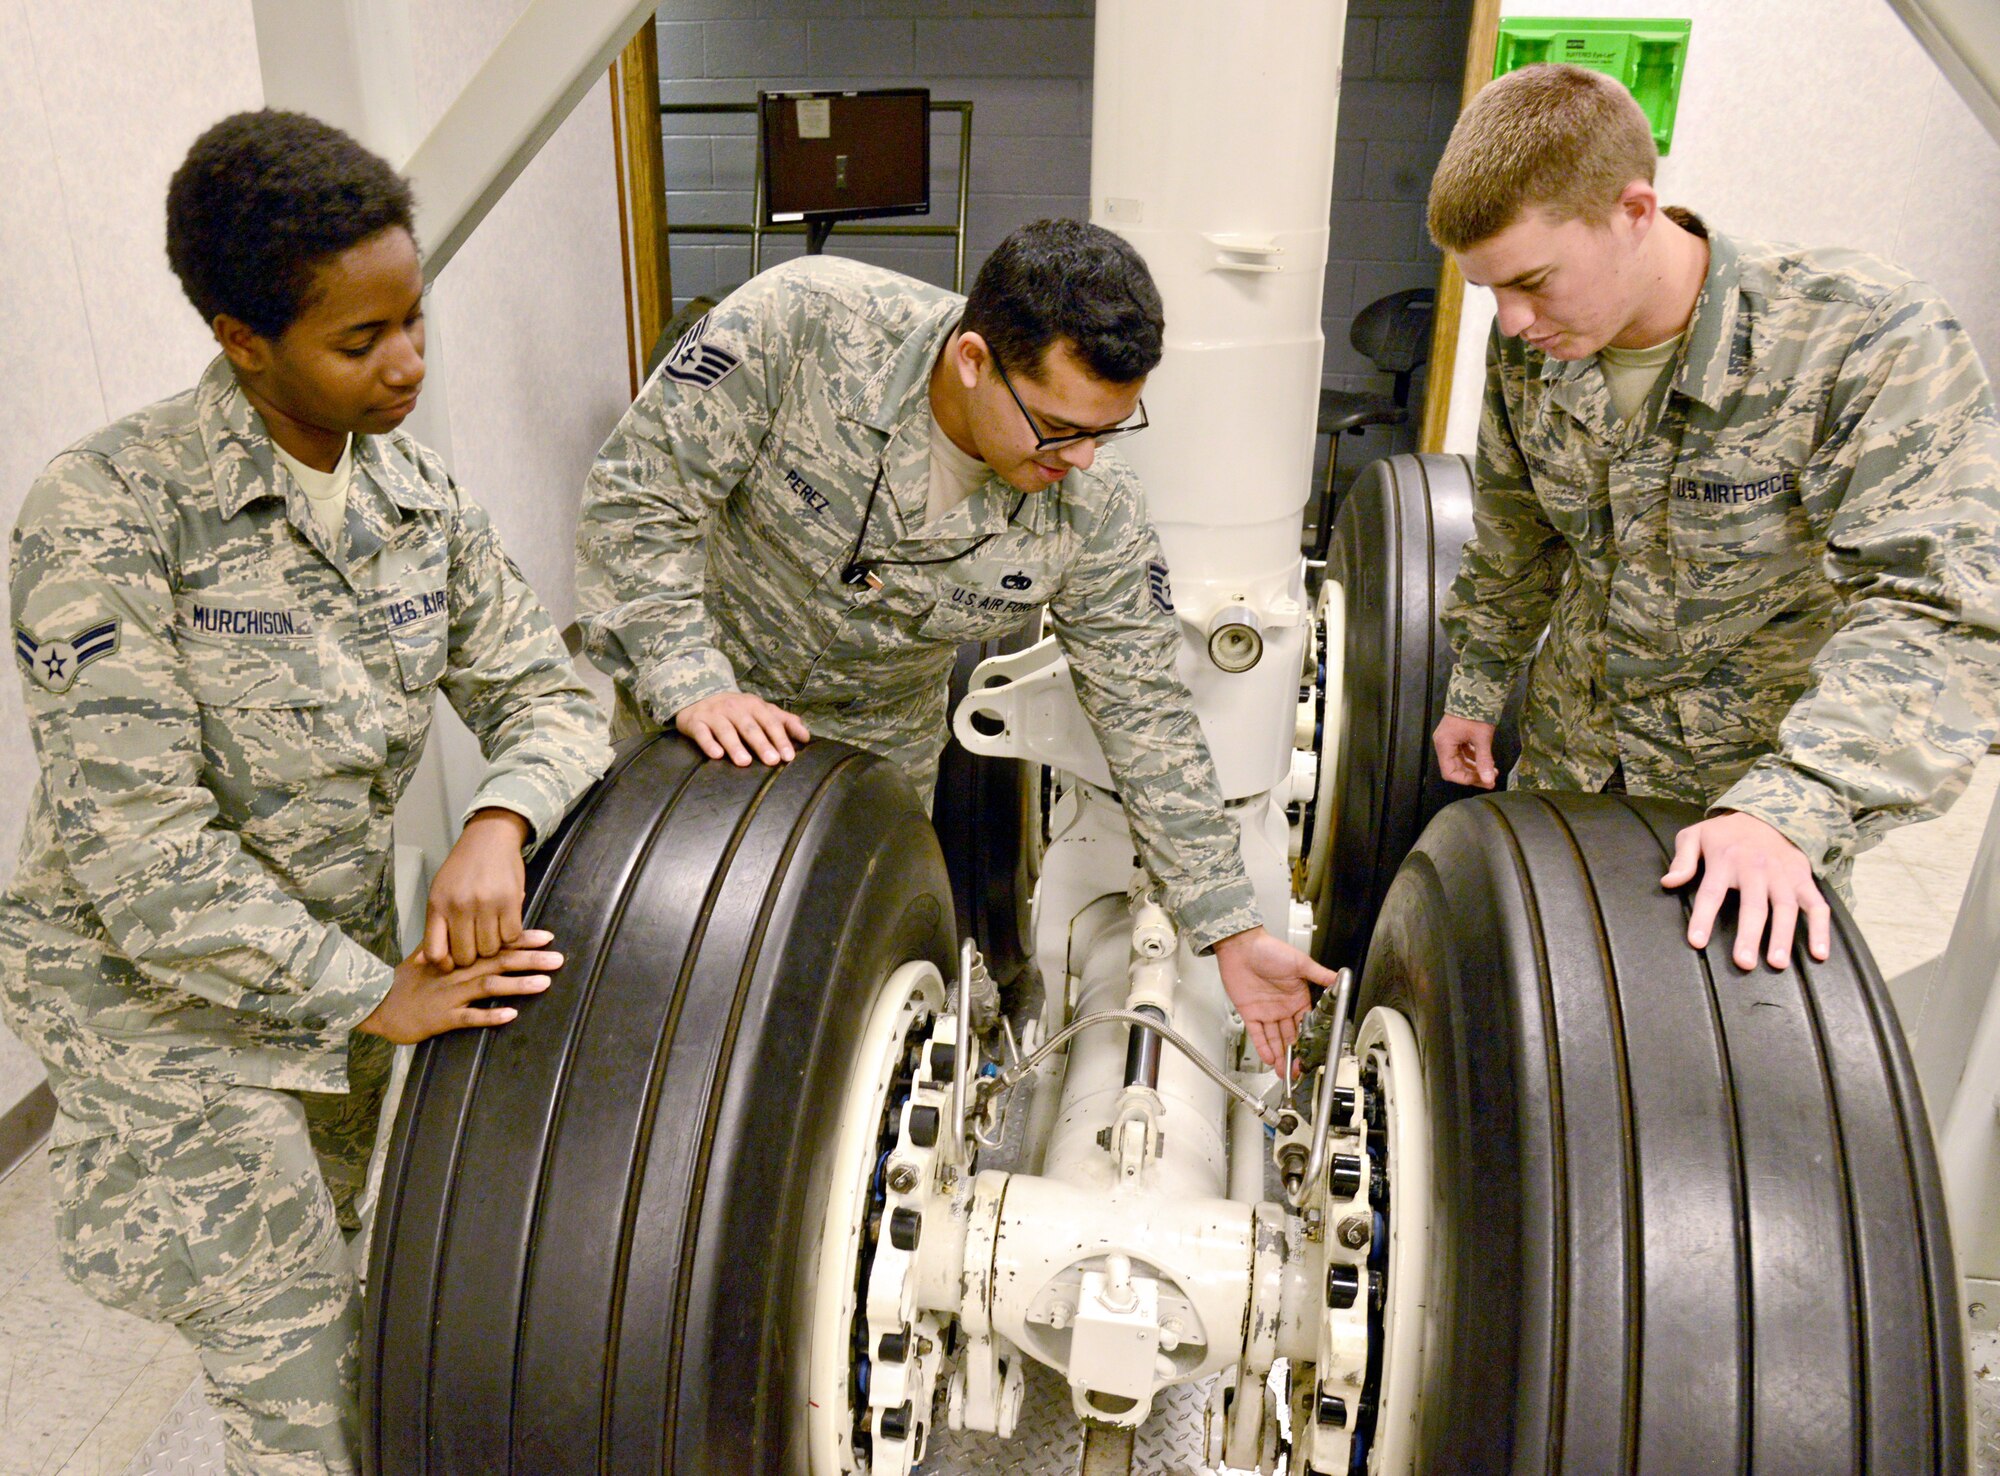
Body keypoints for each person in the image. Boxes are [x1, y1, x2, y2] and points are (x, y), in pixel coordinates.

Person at [0, 111, 609, 1473]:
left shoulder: (414, 498)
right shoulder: (108, 511)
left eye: (414, 322)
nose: (404, 367)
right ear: (241, 339)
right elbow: (144, 859)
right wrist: (371, 993)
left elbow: (551, 693)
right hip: (144, 994)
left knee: (387, 1280)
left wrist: (497, 820)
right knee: (305, 1367)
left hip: (325, 947)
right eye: (358, 341)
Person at [576, 220, 1333, 1067]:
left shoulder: (1095, 511)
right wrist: (688, 676)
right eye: (1056, 426)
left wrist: (1227, 921)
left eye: (1106, 430)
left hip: (869, 757)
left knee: (807, 1017)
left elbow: (1143, 709)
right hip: (687, 706)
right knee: (639, 970)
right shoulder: (804, 325)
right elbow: (638, 498)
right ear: (974, 359)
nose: (1080, 458)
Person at [1425, 64, 2000, 972]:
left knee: (1713, 1082)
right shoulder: (1537, 355)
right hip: (1567, 776)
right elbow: (1515, 537)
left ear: (1635, 210)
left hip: (1743, 818)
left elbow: (1940, 605)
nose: (1511, 323)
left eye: (1533, 281)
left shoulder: (1860, 338)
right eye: (1493, 290)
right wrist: (1478, 687)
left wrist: (1796, 800)